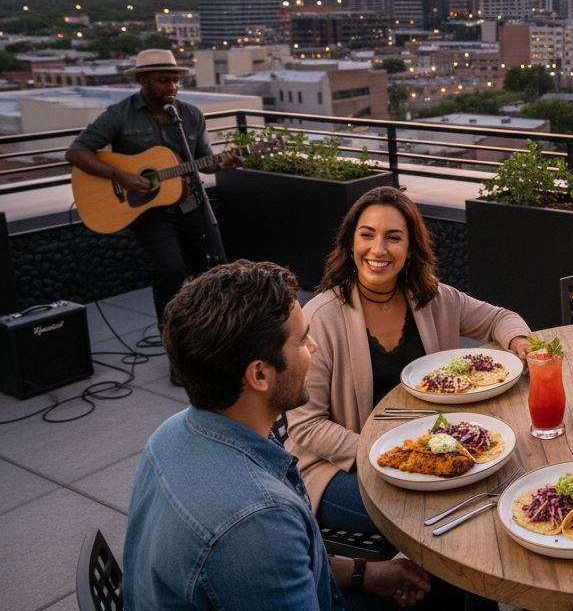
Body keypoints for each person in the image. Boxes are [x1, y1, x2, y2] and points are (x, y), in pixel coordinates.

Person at [123, 260, 430, 610]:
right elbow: (260, 547)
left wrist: (363, 573)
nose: (313, 347)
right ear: (259, 375)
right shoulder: (257, 523)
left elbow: (284, 568)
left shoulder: (170, 433)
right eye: (301, 340)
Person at [287, 186, 532, 534]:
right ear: (350, 243)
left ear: (410, 247)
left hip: (431, 454)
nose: (378, 249)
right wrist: (390, 453)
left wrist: (520, 342)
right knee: (451, 514)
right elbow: (305, 426)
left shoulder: (432, 298)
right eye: (367, 235)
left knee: (500, 483)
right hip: (339, 468)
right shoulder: (322, 317)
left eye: (393, 237)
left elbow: (499, 319)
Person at [66, 49, 240, 336]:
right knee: (169, 274)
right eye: (163, 80)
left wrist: (224, 163)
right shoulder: (120, 115)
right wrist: (122, 175)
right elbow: (76, 152)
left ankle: (213, 337)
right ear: (143, 81)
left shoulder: (189, 115)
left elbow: (205, 161)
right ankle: (174, 344)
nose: (172, 86)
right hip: (149, 212)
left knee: (213, 271)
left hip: (191, 204)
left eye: (175, 80)